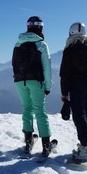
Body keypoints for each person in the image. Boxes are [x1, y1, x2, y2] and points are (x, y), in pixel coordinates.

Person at [59, 22, 87, 163]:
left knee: (78, 116)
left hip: (75, 87)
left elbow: (64, 74)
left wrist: (64, 93)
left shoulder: (69, 50)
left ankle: (85, 147)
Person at [12, 16, 53, 157]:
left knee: (27, 109)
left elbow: (14, 63)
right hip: (36, 81)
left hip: (19, 81)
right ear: (40, 27)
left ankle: (28, 141)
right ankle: (46, 146)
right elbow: (47, 67)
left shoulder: (18, 43)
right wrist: (48, 86)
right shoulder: (41, 44)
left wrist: (18, 78)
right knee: (40, 111)